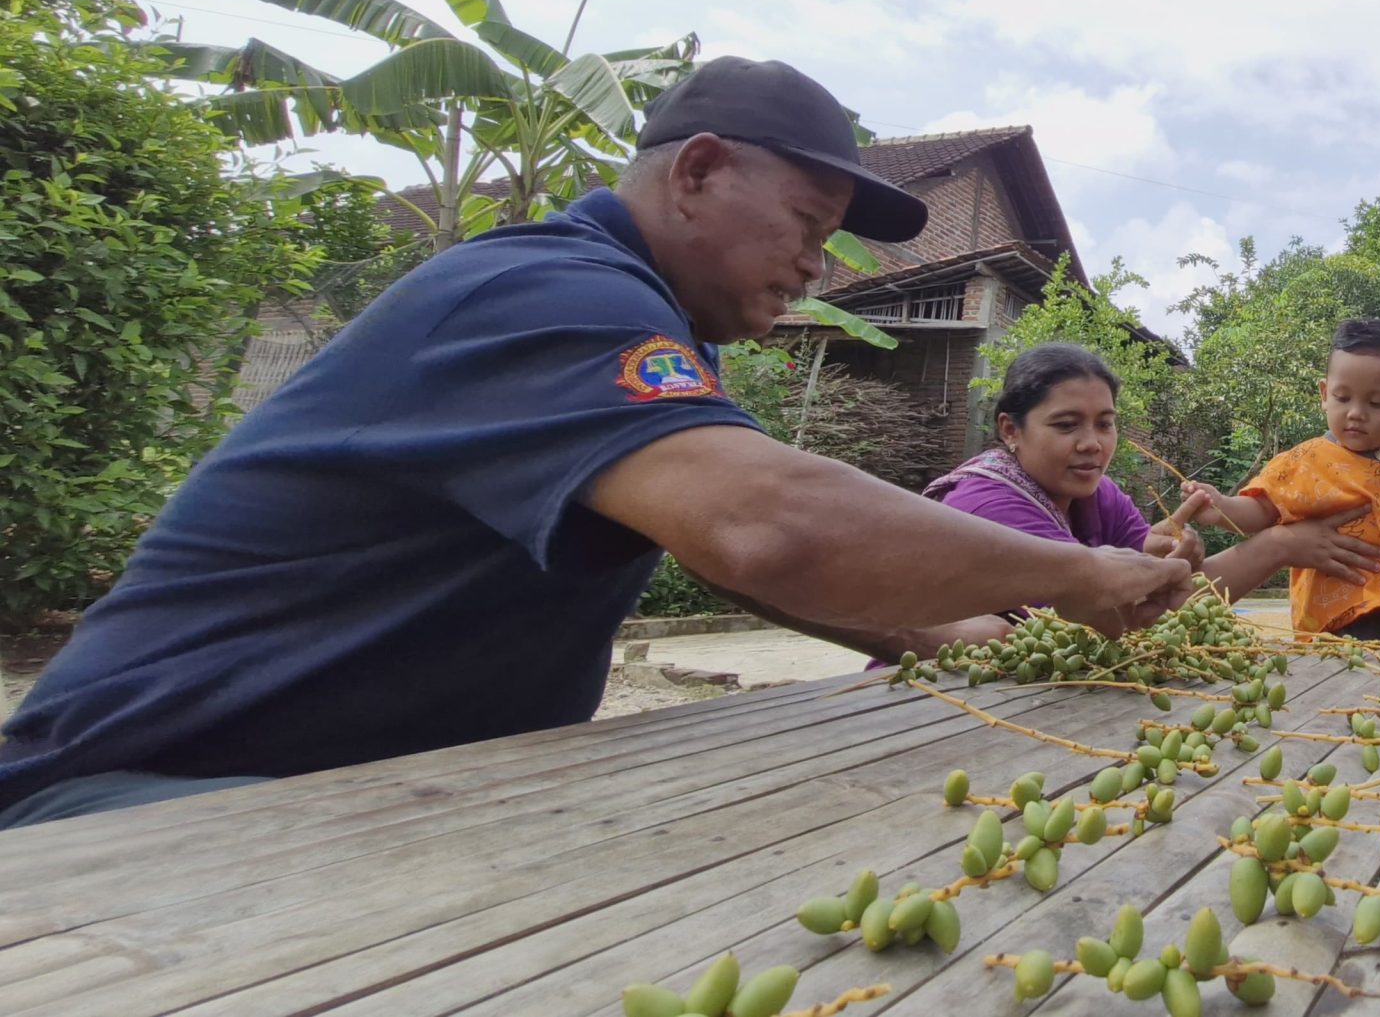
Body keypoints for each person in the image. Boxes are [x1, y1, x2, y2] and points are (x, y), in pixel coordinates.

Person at [0, 56, 1194, 831]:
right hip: (141, 805)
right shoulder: (547, 291)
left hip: (355, 804)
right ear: (699, 171)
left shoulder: (652, 329)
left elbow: (744, 560)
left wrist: (938, 638)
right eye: (808, 226)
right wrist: (1078, 578)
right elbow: (762, 522)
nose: (819, 268)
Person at [823, 342, 1380, 661]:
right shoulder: (987, 503)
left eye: (1105, 424)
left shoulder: (1095, 493)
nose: (1092, 444)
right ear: (1010, 430)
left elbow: (1166, 605)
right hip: (934, 705)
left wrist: (1167, 564)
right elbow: (1117, 628)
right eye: (1066, 425)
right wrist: (1280, 545)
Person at [1185, 319, 1380, 648]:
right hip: (1334, 623)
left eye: (1376, 403)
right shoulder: (1308, 460)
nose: (1355, 413)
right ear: (1324, 394)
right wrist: (1220, 507)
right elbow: (1260, 510)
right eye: (1342, 397)